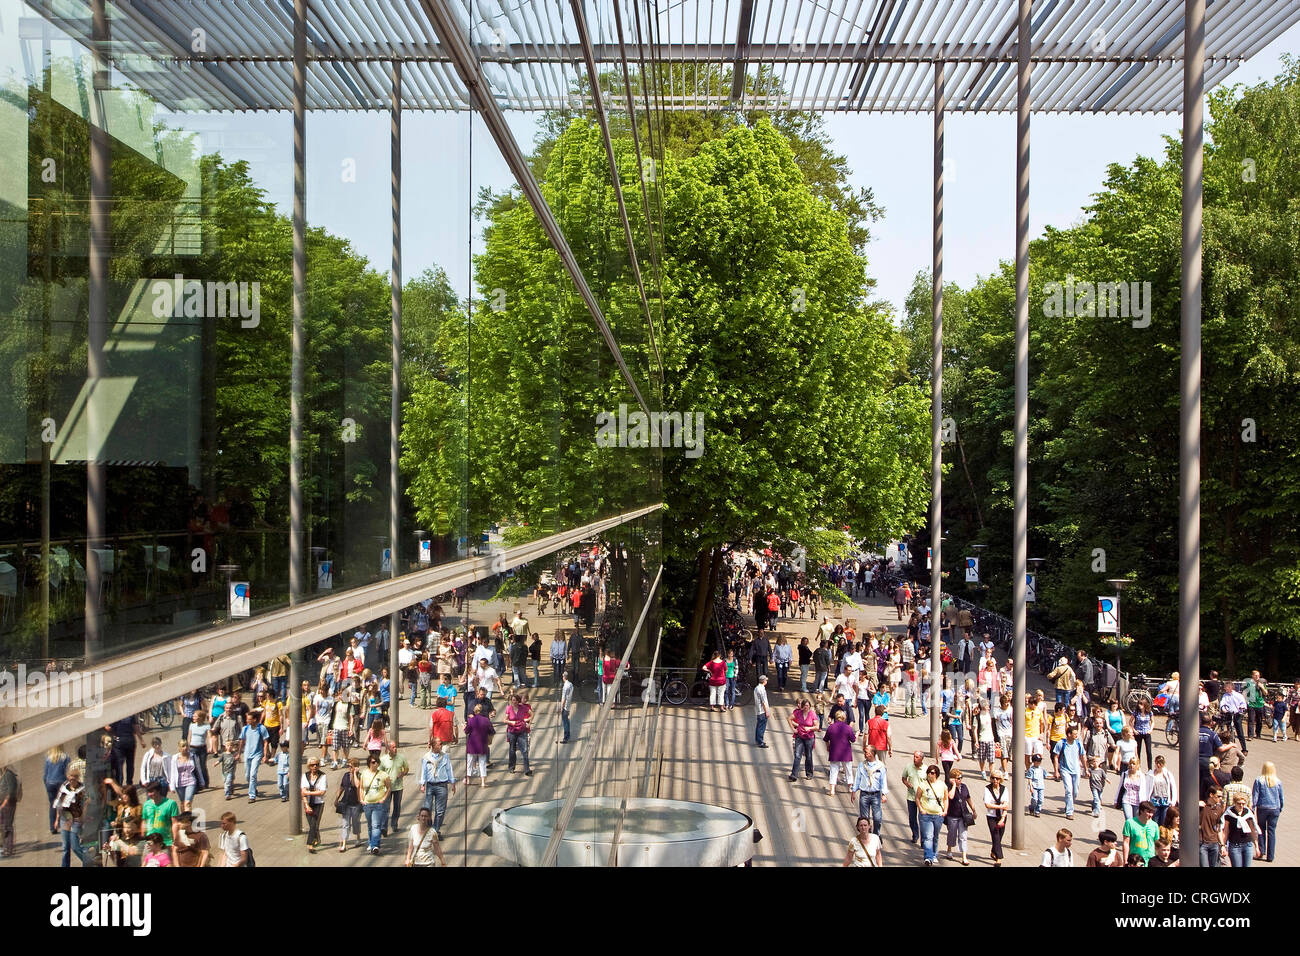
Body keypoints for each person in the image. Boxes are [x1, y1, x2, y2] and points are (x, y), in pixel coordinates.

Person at [419, 738, 456, 835]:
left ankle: (435, 830)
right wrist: (422, 784)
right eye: (439, 744)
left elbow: (449, 769)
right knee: (427, 808)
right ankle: (428, 829)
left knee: (440, 811)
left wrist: (452, 783)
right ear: (433, 745)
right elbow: (424, 771)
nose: (441, 746)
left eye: (441, 744)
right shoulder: (426, 758)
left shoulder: (445, 757)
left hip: (442, 786)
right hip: (430, 785)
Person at [358, 753, 391, 855]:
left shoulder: (383, 775)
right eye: (373, 762)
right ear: (369, 763)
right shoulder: (364, 773)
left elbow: (389, 788)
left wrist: (383, 799)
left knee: (376, 825)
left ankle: (375, 845)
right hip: (367, 803)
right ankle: (371, 842)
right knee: (370, 825)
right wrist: (361, 799)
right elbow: (361, 787)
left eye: (377, 762)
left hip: (378, 804)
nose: (375, 764)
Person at [1052, 724, 1086, 820]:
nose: (1076, 736)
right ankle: (1069, 812)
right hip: (1065, 769)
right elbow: (1055, 756)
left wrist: (1086, 769)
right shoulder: (1061, 743)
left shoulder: (1078, 743)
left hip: (1076, 770)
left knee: (1075, 791)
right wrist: (1056, 771)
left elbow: (1083, 756)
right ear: (1069, 734)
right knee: (1069, 791)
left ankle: (1068, 804)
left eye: (1077, 734)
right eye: (1074, 734)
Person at [851, 746, 888, 835]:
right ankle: (866, 836)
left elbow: (883, 780)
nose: (865, 754)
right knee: (864, 819)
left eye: (866, 752)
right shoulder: (862, 765)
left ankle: (876, 834)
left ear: (872, 754)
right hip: (864, 794)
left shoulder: (880, 766)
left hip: (876, 795)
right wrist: (854, 791)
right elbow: (857, 779)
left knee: (877, 818)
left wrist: (884, 794)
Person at [1251, 761, 1283, 863]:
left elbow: (1255, 796)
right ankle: (1270, 856)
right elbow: (1281, 797)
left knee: (1261, 830)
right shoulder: (1278, 781)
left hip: (1262, 808)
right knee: (1272, 831)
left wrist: (1253, 807)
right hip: (1274, 808)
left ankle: (1261, 852)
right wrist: (1280, 807)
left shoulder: (1259, 780)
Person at [52, 767, 85, 867]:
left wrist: (82, 818)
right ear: (68, 776)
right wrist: (57, 819)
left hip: (76, 820)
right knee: (65, 847)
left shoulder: (82, 790)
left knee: (75, 846)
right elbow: (59, 804)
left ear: (78, 777)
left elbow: (86, 806)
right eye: (70, 776)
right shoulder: (64, 787)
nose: (72, 778)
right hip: (65, 819)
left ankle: (89, 862)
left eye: (74, 776)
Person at [1221, 790, 1262, 867]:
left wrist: (1256, 846)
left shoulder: (1248, 813)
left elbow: (1253, 830)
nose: (1241, 806)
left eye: (1243, 804)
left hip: (1248, 845)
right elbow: (1225, 831)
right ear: (1234, 803)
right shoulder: (1229, 814)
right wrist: (1223, 845)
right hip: (1235, 846)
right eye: (1239, 803)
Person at [916, 765, 947, 865]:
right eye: (929, 772)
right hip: (926, 815)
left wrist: (945, 811)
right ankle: (928, 857)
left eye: (932, 773)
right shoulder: (923, 784)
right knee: (928, 836)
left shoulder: (942, 785)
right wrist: (921, 809)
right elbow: (917, 798)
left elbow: (945, 799)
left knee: (935, 836)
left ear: (936, 774)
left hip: (938, 815)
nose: (930, 774)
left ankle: (934, 854)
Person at [380, 740, 409, 836]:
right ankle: (384, 827)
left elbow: (406, 768)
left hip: (398, 787)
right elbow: (379, 773)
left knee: (397, 807)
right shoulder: (383, 759)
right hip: (387, 788)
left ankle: (394, 824)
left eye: (395, 747)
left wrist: (403, 773)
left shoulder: (401, 757)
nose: (395, 749)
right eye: (393, 747)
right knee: (385, 808)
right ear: (388, 749)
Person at [944, 768, 972, 865]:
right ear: (953, 779)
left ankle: (964, 856)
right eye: (958, 778)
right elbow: (950, 796)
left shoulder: (964, 787)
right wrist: (954, 785)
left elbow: (968, 798)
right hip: (952, 815)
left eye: (961, 778)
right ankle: (949, 849)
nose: (960, 780)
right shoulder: (948, 787)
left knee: (963, 836)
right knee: (952, 834)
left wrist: (974, 809)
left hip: (963, 815)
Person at [239, 712, 269, 801]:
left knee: (253, 775)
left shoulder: (261, 728)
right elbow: (242, 741)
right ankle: (254, 787)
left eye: (249, 719)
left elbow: (266, 742)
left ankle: (252, 796)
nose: (247, 721)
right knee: (247, 776)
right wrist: (238, 753)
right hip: (247, 754)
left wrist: (265, 755)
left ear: (254, 719)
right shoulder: (245, 728)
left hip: (257, 754)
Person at [824, 711, 856, 795]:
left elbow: (826, 739)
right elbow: (853, 739)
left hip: (834, 751)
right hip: (846, 752)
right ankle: (850, 787)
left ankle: (832, 790)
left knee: (833, 770)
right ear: (844, 718)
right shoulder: (848, 728)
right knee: (848, 770)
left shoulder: (831, 727)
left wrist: (828, 746)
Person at [300, 757, 328, 852]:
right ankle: (317, 839)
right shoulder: (305, 776)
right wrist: (306, 805)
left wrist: (308, 793)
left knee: (313, 824)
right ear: (309, 766)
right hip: (308, 803)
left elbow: (322, 792)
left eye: (316, 764)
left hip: (318, 803)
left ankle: (309, 844)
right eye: (312, 765)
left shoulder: (322, 776)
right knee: (312, 824)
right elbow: (303, 791)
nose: (315, 766)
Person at [983, 769, 1009, 866]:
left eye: (997, 778)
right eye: (993, 778)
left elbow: (1006, 805)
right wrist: (1000, 806)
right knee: (995, 836)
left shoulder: (1004, 789)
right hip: (991, 816)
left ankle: (993, 851)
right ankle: (998, 858)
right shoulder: (987, 789)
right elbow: (987, 804)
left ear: (1000, 779)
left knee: (1000, 836)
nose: (995, 780)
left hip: (1002, 816)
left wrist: (1002, 818)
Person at [465, 703, 494, 786]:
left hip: (472, 744)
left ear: (475, 711)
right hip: (482, 743)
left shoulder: (471, 720)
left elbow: (467, 731)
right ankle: (483, 782)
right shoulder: (486, 720)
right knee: (482, 763)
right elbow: (492, 731)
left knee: (470, 762)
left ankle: (468, 780)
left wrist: (464, 727)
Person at [42, 746, 70, 836]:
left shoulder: (48, 758)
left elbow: (45, 774)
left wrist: (46, 784)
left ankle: (52, 827)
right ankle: (65, 825)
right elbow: (68, 772)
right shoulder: (65, 757)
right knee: (64, 804)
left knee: (52, 805)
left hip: (50, 783)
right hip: (61, 783)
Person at [788, 698, 817, 781]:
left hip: (809, 738)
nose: (806, 707)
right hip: (799, 737)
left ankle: (809, 773)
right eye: (804, 705)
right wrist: (794, 729)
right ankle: (794, 775)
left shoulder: (812, 714)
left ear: (810, 706)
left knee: (808, 755)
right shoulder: (798, 713)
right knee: (797, 755)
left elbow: (817, 726)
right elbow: (789, 718)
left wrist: (810, 728)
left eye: (807, 706)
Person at [505, 693, 534, 775]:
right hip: (512, 731)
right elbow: (504, 719)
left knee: (524, 750)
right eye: (512, 700)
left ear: (518, 701)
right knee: (512, 749)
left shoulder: (523, 708)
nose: (513, 702)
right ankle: (511, 767)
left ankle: (527, 769)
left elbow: (532, 714)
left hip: (522, 731)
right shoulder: (509, 708)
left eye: (515, 700)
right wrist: (510, 722)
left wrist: (529, 723)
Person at [1244, 670, 1268, 742]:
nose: (1257, 677)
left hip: (1259, 703)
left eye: (1258, 675)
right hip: (1251, 703)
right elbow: (1245, 692)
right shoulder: (1249, 683)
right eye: (1256, 675)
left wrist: (1262, 687)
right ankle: (1250, 735)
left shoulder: (1262, 683)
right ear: (1252, 676)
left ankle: (1258, 733)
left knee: (1259, 720)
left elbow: (1266, 693)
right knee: (1251, 720)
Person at [753, 674, 771, 748]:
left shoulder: (757, 688)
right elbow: (763, 701)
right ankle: (760, 742)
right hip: (762, 711)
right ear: (764, 681)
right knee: (761, 727)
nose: (766, 681)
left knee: (759, 726)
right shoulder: (761, 690)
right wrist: (766, 711)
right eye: (766, 680)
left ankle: (758, 740)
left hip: (758, 710)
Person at [560, 671, 574, 744]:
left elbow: (564, 698)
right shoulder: (571, 684)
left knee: (565, 722)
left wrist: (561, 707)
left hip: (565, 707)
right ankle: (568, 735)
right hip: (568, 705)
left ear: (564, 677)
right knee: (567, 721)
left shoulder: (565, 686)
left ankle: (566, 737)